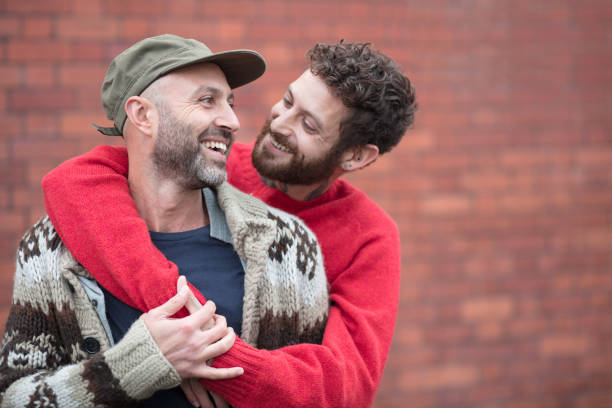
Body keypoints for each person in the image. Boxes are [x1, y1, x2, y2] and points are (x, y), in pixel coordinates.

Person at [40, 40, 417, 407]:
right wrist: (184, 341)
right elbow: (71, 181)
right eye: (287, 101)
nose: (280, 123)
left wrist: (213, 363)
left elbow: (344, 386)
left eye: (309, 125)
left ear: (355, 156)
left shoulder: (370, 237)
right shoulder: (212, 166)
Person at [0, 34, 329, 408]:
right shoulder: (50, 248)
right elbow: (14, 398)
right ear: (142, 115)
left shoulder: (285, 245)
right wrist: (139, 364)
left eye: (230, 103)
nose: (232, 120)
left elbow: (317, 395)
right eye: (208, 100)